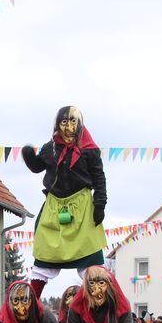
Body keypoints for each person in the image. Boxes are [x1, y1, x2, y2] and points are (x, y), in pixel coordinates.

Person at [22, 106, 107, 298]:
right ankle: (30, 305)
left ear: (79, 124)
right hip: (54, 207)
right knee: (44, 253)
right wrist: (29, 158)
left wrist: (100, 204)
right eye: (64, 122)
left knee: (91, 264)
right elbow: (37, 167)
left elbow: (99, 178)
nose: (68, 126)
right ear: (57, 124)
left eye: (72, 121)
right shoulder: (50, 148)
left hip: (83, 209)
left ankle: (99, 307)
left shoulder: (89, 150)